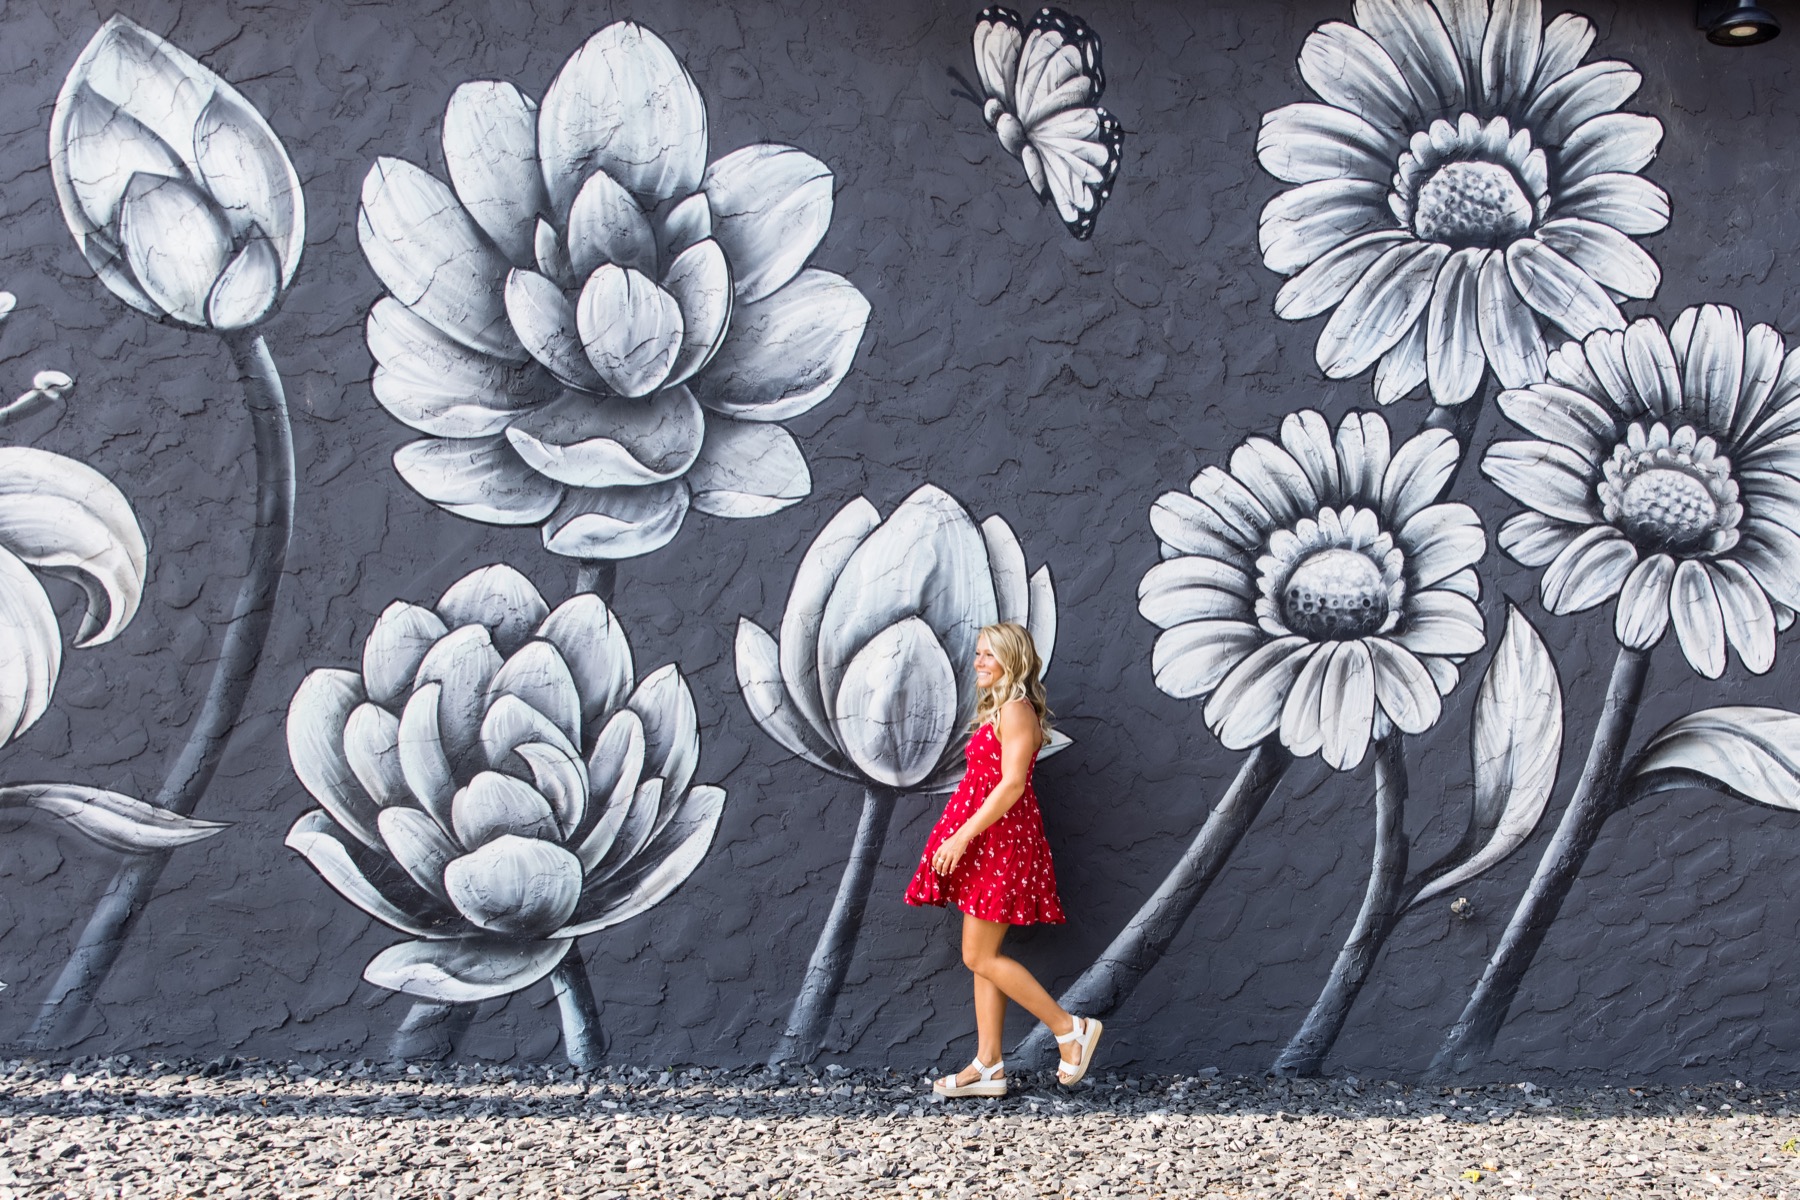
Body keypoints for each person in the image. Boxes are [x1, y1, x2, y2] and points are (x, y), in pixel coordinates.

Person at [903, 621, 1102, 1098]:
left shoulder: (1016, 710)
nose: (978, 662)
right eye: (977, 654)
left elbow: (1012, 784)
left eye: (988, 655)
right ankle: (989, 1065)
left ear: (1011, 659)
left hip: (1000, 844)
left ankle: (1069, 1028)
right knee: (983, 958)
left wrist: (961, 838)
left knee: (978, 954)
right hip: (988, 844)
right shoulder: (1002, 710)